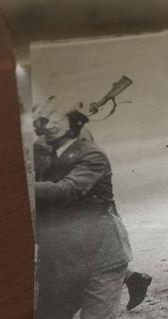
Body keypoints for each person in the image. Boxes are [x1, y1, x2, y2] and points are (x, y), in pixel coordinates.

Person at [32, 107, 163, 319]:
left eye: (50, 116)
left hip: (100, 258)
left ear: (74, 121)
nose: (41, 122)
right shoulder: (40, 153)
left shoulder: (90, 155)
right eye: (37, 116)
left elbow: (67, 191)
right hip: (60, 261)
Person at [33, 106, 153, 306]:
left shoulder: (60, 139)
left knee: (90, 254)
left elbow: (75, 176)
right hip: (69, 204)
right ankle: (132, 279)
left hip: (81, 205)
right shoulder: (51, 135)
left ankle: (130, 280)